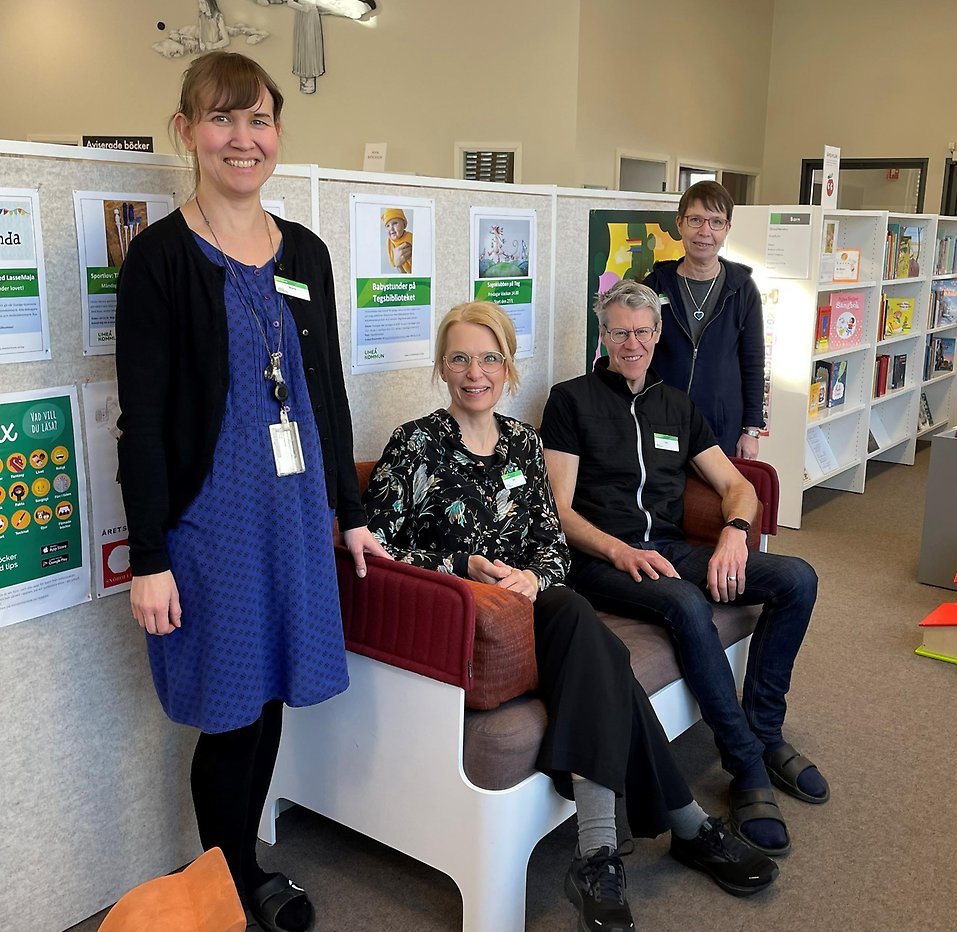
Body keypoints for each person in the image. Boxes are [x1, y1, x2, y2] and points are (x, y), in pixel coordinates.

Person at [362, 300, 777, 932]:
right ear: (443, 368)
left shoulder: (524, 445)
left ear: (509, 368)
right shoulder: (416, 443)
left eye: (490, 358)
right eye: (460, 358)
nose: (476, 372)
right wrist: (464, 565)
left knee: (579, 625)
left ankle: (599, 857)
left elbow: (551, 547)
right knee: (602, 653)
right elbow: (379, 548)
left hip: (535, 605)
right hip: (465, 619)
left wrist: (533, 575)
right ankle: (679, 828)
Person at [115, 51, 389, 932]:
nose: (244, 138)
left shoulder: (303, 251)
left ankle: (238, 865)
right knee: (229, 708)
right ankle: (232, 874)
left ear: (279, 132)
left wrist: (351, 514)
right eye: (223, 119)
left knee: (269, 694)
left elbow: (328, 393)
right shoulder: (159, 259)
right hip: (211, 525)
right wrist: (150, 557)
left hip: (297, 514)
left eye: (260, 119)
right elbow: (145, 423)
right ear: (187, 132)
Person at [540, 279, 828, 860]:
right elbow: (559, 510)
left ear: (658, 334)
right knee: (688, 602)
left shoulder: (676, 404)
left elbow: (737, 486)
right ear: (603, 336)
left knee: (797, 578)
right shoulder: (570, 400)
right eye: (620, 332)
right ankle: (745, 765)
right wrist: (618, 550)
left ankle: (765, 731)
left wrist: (733, 534)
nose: (633, 343)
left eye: (643, 332)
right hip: (601, 560)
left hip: (670, 548)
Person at [641, 180, 764, 458]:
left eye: (716, 222)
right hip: (662, 421)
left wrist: (751, 429)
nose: (705, 231)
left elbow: (753, 362)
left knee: (715, 498)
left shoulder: (742, 288)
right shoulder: (656, 285)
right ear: (680, 224)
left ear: (727, 229)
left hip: (722, 426)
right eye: (696, 219)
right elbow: (636, 351)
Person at [381, 207, 413, 273]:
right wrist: (397, 264)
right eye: (388, 226)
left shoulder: (410, 237)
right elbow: (394, 263)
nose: (391, 228)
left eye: (395, 223)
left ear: (404, 224)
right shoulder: (390, 242)